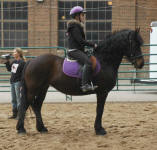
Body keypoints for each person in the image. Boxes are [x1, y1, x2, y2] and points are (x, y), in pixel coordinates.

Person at [67, 6, 97, 92]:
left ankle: (90, 81)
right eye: (82, 15)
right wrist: (93, 45)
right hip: (74, 51)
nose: (84, 16)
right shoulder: (75, 26)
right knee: (88, 63)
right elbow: (80, 41)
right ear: (77, 16)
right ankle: (84, 85)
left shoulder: (77, 26)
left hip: (78, 50)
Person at [4, 47, 26, 119]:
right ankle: (14, 114)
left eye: (15, 52)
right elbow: (9, 69)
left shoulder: (22, 63)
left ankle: (20, 115)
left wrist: (22, 84)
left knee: (19, 99)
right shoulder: (14, 61)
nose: (13, 53)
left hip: (18, 82)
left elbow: (24, 74)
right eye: (13, 52)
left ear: (19, 53)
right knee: (13, 99)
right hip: (12, 82)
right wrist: (7, 61)